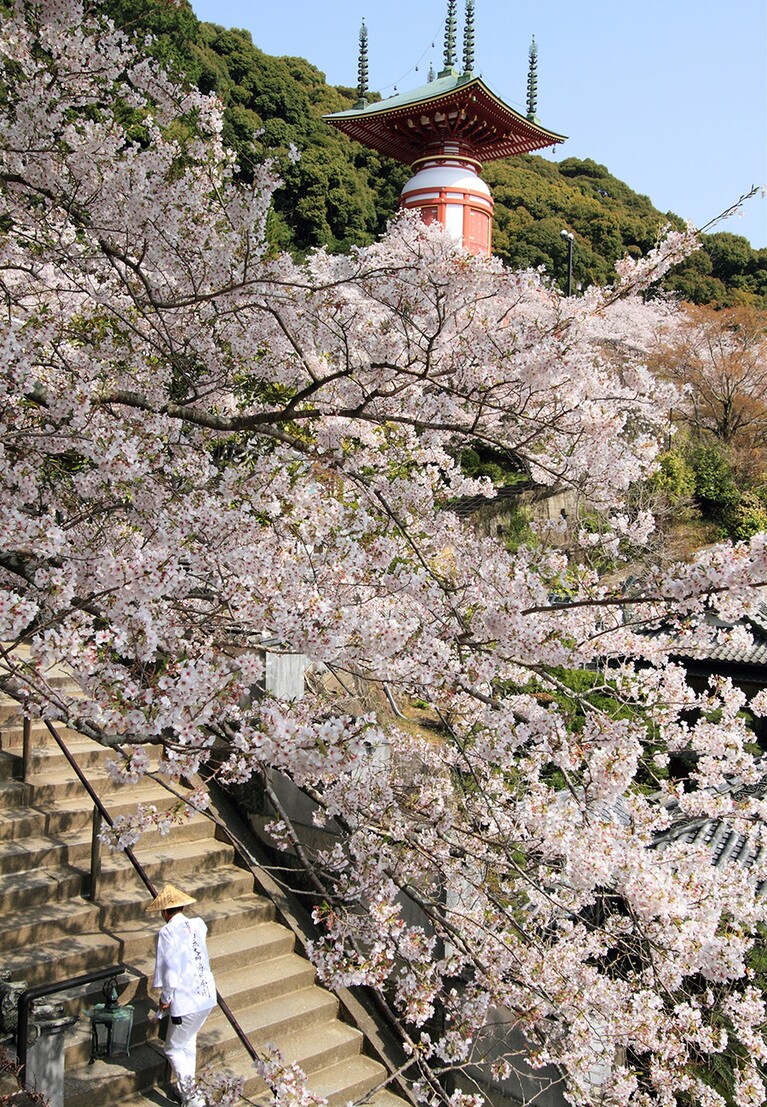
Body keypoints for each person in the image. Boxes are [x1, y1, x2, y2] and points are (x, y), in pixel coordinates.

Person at [147, 883, 217, 1107]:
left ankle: (193, 1097)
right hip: (205, 996)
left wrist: (166, 998)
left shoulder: (168, 932)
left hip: (186, 1001)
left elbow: (171, 970)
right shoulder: (197, 925)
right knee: (188, 1041)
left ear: (165, 911)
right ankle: (189, 1089)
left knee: (173, 1048)